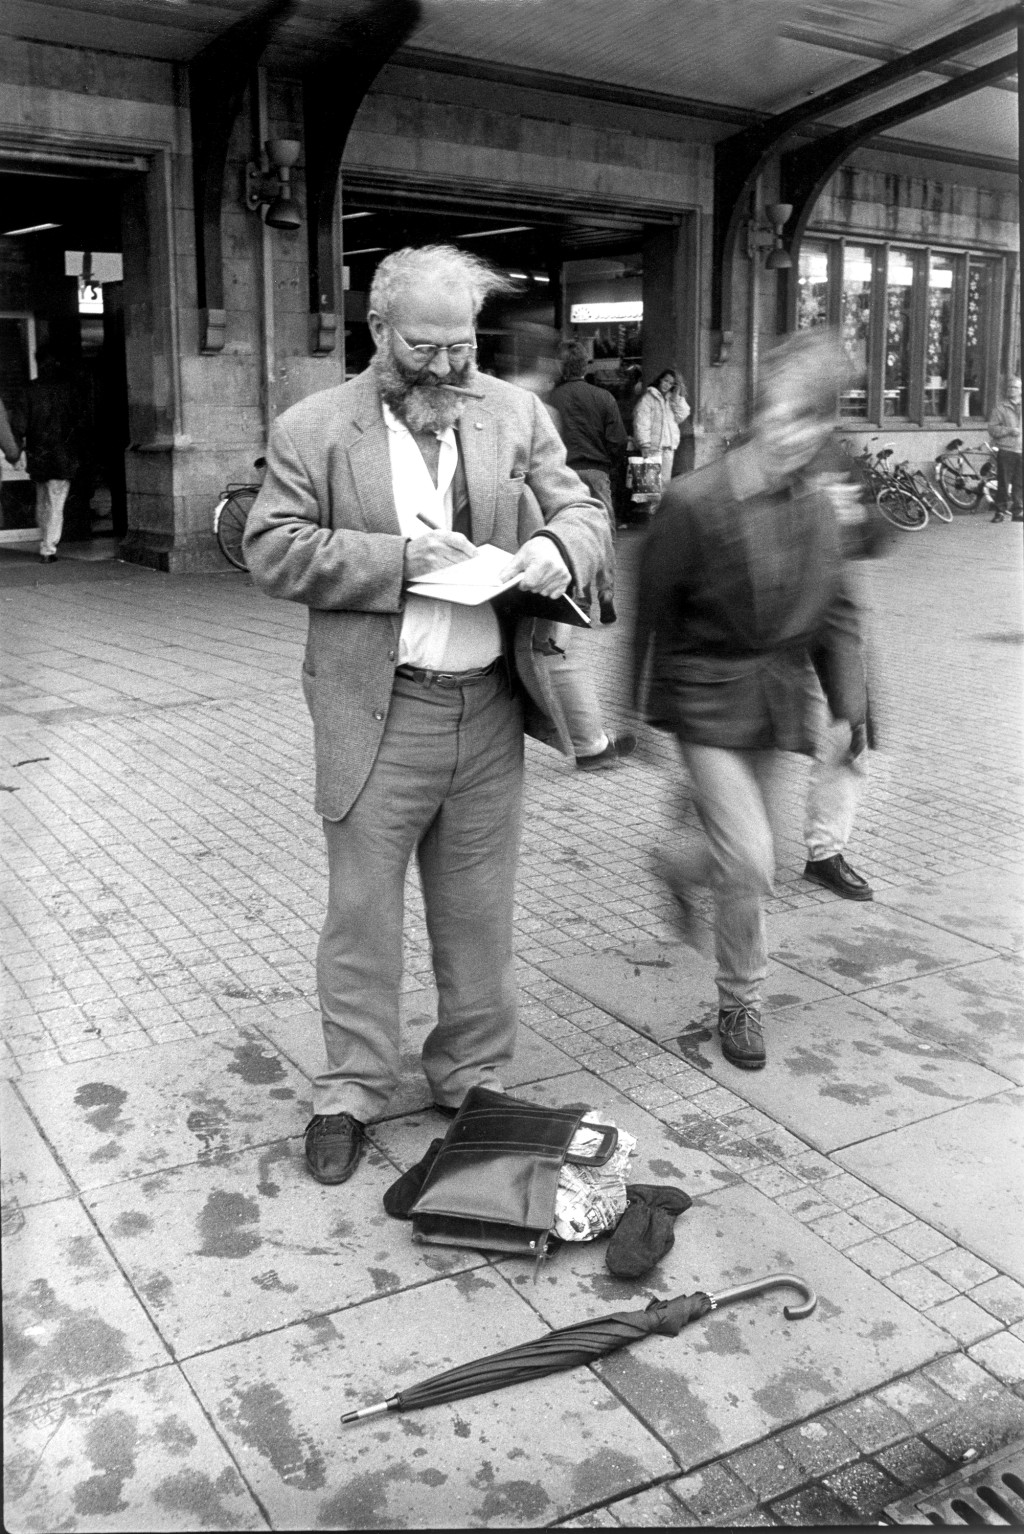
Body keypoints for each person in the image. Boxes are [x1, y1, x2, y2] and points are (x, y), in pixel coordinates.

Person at [242, 244, 610, 1188]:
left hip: (488, 710)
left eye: (462, 346)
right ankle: (352, 1088)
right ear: (378, 330)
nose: (447, 367)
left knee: (478, 913)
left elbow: (584, 509)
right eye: (424, 347)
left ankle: (471, 1077)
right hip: (380, 712)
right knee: (361, 916)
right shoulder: (314, 427)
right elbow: (272, 549)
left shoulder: (512, 412)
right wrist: (400, 561)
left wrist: (558, 545)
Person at [633, 330, 867, 1073]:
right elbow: (649, 610)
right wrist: (634, 714)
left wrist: (848, 710)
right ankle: (743, 998)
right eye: (784, 415)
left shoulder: (820, 506)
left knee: (746, 861)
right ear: (762, 410)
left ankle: (675, 864)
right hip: (704, 698)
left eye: (811, 422)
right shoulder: (695, 500)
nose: (794, 436)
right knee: (753, 860)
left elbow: (837, 612)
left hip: (776, 702)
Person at [544, 341, 635, 768]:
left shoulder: (549, 400)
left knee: (568, 535)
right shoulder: (602, 397)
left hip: (559, 473)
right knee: (600, 535)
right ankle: (607, 595)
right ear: (587, 365)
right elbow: (617, 439)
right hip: (596, 469)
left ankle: (578, 597)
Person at [21, 347, 84, 563]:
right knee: (56, 502)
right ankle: (48, 548)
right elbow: (79, 422)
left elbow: (20, 424)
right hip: (62, 455)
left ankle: (44, 540)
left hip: (39, 455)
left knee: (42, 500)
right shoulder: (68, 390)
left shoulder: (30, 390)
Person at [633, 368, 691, 492]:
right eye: (666, 381)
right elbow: (641, 422)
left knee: (665, 483)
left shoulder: (671, 400)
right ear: (660, 380)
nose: (667, 385)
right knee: (650, 485)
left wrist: (676, 397)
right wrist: (644, 444)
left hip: (668, 447)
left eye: (671, 383)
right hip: (653, 448)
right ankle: (651, 505)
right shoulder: (648, 398)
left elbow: (682, 415)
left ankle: (661, 504)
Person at [988, 375, 1022, 523]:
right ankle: (1000, 512)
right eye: (1010, 387)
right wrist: (1009, 430)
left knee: (1020, 483)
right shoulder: (1000, 408)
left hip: (1021, 449)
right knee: (1003, 482)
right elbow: (992, 429)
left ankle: (1018, 511)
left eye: (1015, 387)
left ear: (1021, 390)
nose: (1012, 390)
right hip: (1007, 449)